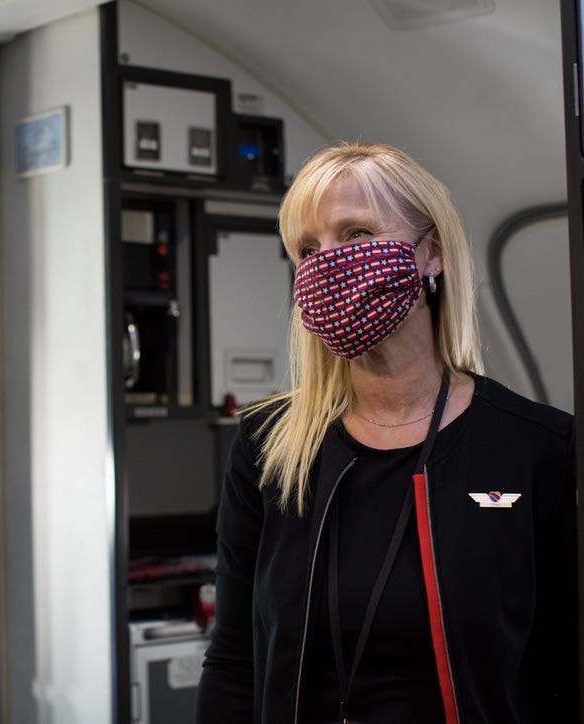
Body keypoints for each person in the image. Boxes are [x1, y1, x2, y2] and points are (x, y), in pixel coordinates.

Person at [195, 141, 577, 723]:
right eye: (307, 249)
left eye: (356, 235)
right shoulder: (268, 446)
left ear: (433, 253)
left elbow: (565, 666)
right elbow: (233, 660)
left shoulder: (537, 447)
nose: (327, 264)